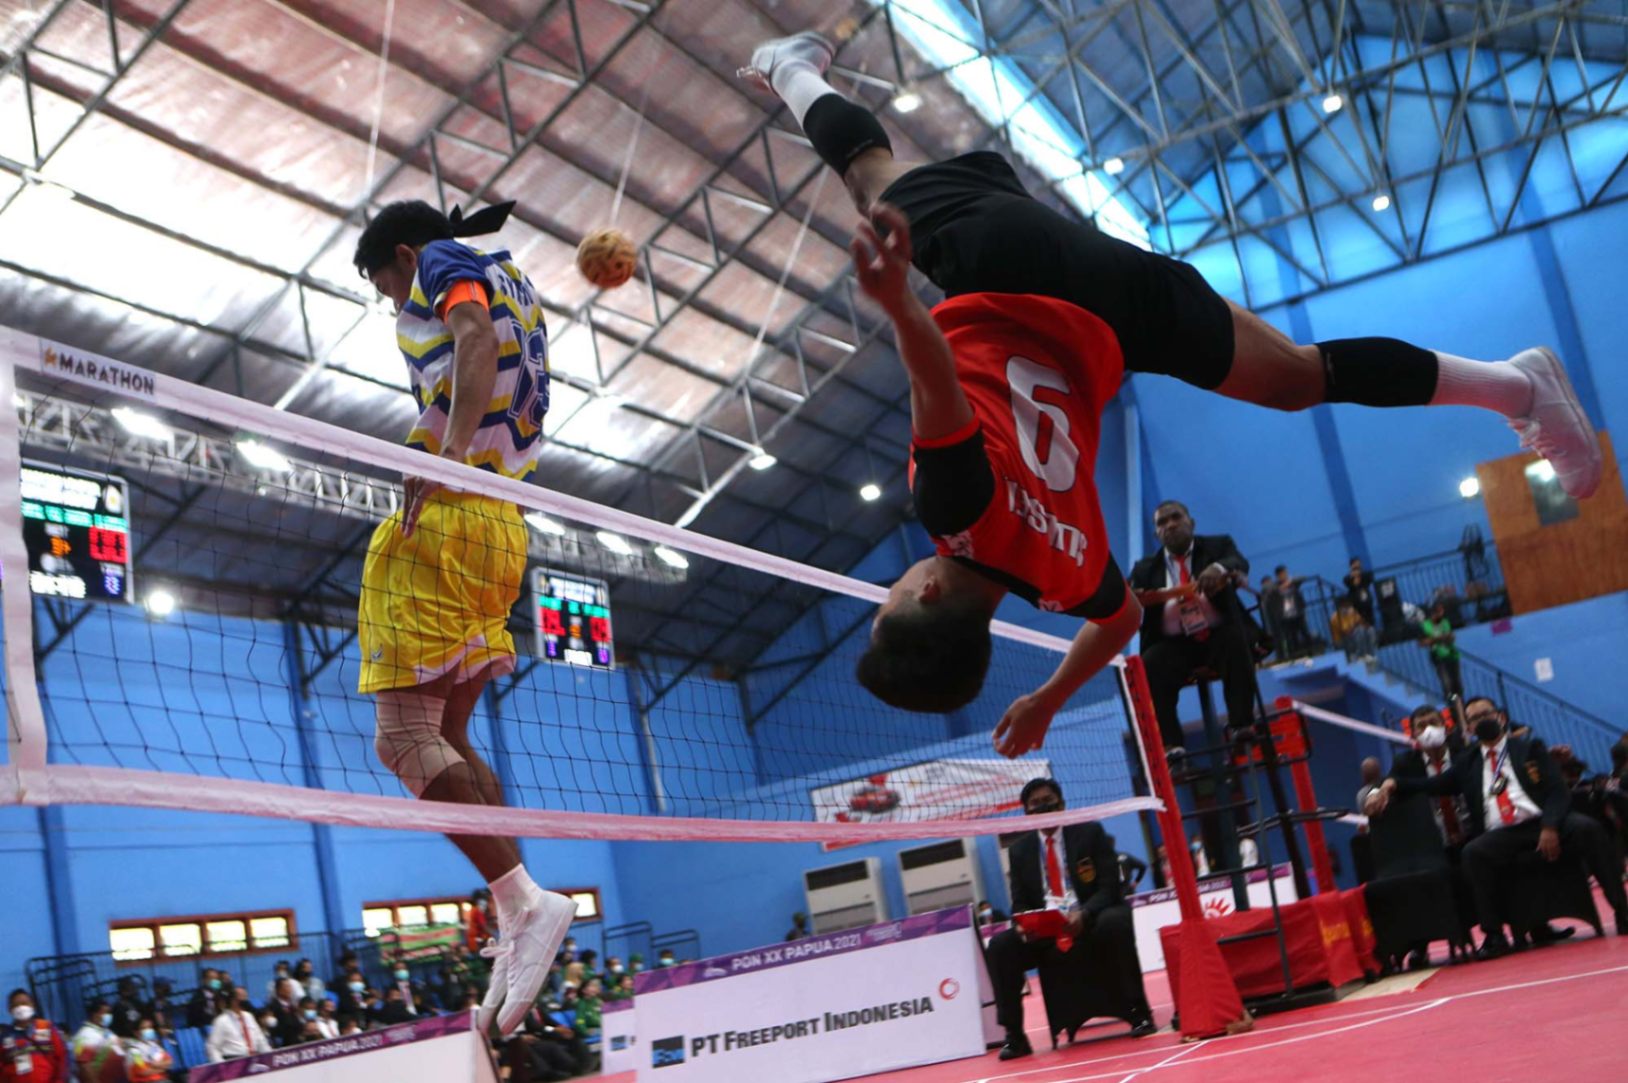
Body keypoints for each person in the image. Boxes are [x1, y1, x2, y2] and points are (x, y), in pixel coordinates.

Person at [741, 29, 1601, 712]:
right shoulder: (949, 513)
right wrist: (898, 304)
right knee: (871, 175)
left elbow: (1117, 624)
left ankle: (1512, 386)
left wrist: (1049, 697)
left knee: (1301, 378)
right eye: (884, 603)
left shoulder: (1064, 578)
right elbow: (933, 385)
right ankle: (791, 68)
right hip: (1014, 270)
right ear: (925, 596)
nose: (887, 588)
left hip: (1118, 324)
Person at [353, 199, 577, 1037]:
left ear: (405, 254)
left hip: (452, 512)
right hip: (499, 530)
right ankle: (517, 909)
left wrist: (446, 465)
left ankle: (523, 898)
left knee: (401, 740)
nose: (389, 303)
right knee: (451, 735)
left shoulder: (446, 264)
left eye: (386, 284)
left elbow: (475, 339)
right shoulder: (508, 271)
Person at [1372, 696, 1628, 957]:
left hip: (1543, 822)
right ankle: (1494, 936)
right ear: (1468, 728)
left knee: (1590, 829)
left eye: (1486, 714)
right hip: (1502, 832)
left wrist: (1550, 826)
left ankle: (1622, 909)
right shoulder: (1467, 762)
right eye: (1474, 718)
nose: (1482, 721)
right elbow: (1430, 785)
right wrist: (1391, 784)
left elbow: (1557, 792)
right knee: (1472, 853)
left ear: (1500, 717)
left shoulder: (1529, 748)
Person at [983, 779, 1154, 1060]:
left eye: (1048, 800)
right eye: (1035, 803)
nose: (1043, 806)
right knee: (1001, 945)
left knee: (1116, 921)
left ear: (1062, 804)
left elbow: (1110, 887)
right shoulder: (1020, 850)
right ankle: (1015, 1035)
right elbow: (1020, 902)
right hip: (1048, 926)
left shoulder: (1089, 832)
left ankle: (1139, 1012)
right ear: (1026, 812)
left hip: (1090, 916)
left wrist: (1084, 914)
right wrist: (1023, 924)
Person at [1128, 501, 1255, 755]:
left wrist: (1218, 568)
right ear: (1156, 534)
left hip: (1217, 633)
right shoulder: (1144, 568)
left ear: (1191, 523)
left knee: (1235, 640)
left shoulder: (1218, 545)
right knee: (1150, 662)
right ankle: (1172, 746)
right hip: (1174, 643)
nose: (1170, 525)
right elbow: (1130, 596)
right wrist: (1134, 595)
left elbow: (1237, 561)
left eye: (1176, 517)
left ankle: (1241, 724)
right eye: (1162, 523)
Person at [3, 989, 69, 1083]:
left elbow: (62, 1057)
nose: (21, 1008)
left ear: (32, 1005)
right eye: (16, 1005)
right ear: (10, 1010)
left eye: (24, 1003)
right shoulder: (5, 1037)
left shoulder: (47, 1027)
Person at [205, 991, 270, 1063]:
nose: (244, 1000)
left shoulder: (249, 1016)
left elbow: (261, 1040)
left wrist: (269, 1056)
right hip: (235, 1061)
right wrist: (221, 1065)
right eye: (240, 998)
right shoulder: (221, 1021)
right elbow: (212, 1047)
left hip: (254, 1058)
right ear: (233, 1001)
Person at [1419, 602, 1463, 701]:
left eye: (1442, 611)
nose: (1441, 614)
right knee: (1446, 682)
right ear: (1433, 613)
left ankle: (1459, 700)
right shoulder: (1425, 625)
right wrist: (1440, 638)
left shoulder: (1445, 622)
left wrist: (1443, 638)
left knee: (1457, 682)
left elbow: (1451, 637)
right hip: (1438, 656)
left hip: (1451, 654)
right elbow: (1422, 642)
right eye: (1439, 612)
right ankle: (1451, 702)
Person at [70, 1001, 120, 1082]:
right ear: (94, 1015)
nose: (109, 1016)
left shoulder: (105, 1031)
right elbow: (84, 1065)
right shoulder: (84, 1035)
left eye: (110, 1013)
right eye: (106, 1013)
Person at [119, 1018, 172, 1083]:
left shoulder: (153, 1046)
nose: (148, 1030)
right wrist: (163, 1068)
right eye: (144, 1028)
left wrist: (154, 1065)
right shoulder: (134, 1050)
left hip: (162, 1080)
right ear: (136, 1033)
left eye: (150, 1027)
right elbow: (143, 1071)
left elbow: (169, 1061)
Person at [1329, 596, 1378, 661]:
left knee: (1370, 630)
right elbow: (1345, 632)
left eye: (1347, 606)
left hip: (1356, 637)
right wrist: (1355, 625)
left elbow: (1363, 624)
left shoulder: (1353, 613)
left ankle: (1370, 655)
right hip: (1343, 642)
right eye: (1344, 606)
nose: (1346, 608)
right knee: (1359, 631)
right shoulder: (1335, 619)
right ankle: (1361, 656)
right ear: (1339, 608)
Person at [1343, 557, 1377, 627]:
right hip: (1355, 602)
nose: (1357, 566)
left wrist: (1359, 575)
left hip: (1366, 600)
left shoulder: (1365, 574)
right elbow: (1347, 583)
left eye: (1358, 564)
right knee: (1357, 620)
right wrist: (1353, 577)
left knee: (1369, 619)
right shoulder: (1348, 578)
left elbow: (1370, 578)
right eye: (1355, 564)